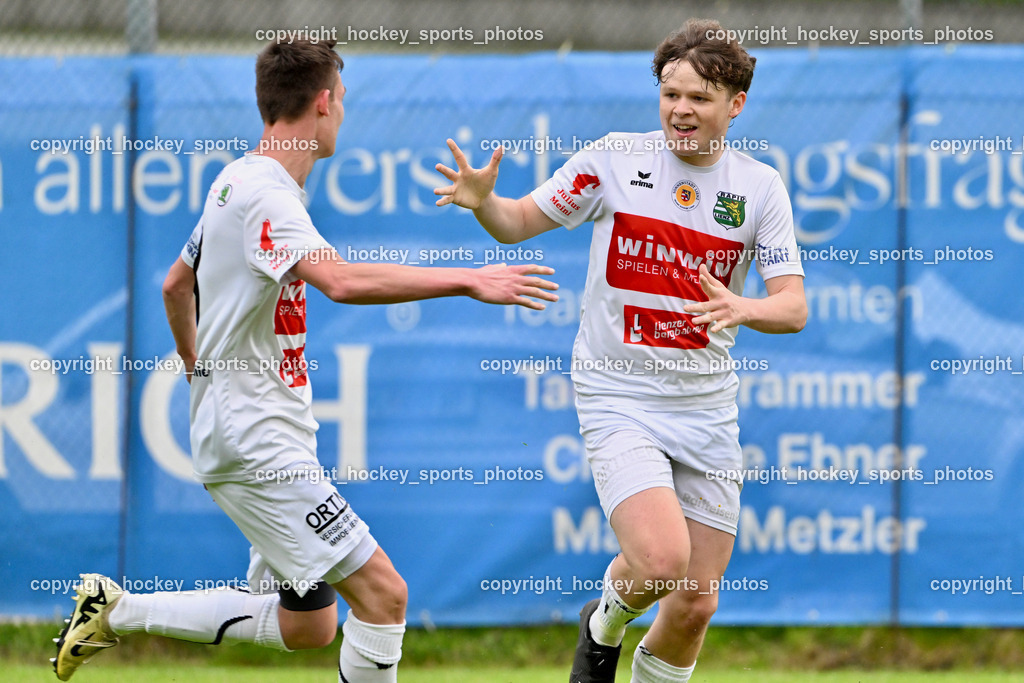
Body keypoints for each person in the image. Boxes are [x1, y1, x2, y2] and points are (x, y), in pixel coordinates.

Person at [52, 38, 558, 683]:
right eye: (341, 101)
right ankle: (117, 610)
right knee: (385, 596)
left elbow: (176, 284)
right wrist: (467, 279)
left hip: (256, 427)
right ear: (322, 104)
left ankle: (116, 611)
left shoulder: (236, 177)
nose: (342, 113)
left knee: (309, 624)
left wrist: (197, 366)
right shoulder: (267, 195)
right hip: (258, 440)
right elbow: (340, 281)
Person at [434, 18, 806, 683]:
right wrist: (483, 203)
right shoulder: (613, 159)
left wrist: (743, 306)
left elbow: (793, 307)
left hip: (706, 408)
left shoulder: (759, 188)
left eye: (699, 97)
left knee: (696, 598)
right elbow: (518, 221)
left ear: (736, 104)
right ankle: (603, 621)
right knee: (662, 563)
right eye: (670, 95)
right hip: (619, 396)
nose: (681, 110)